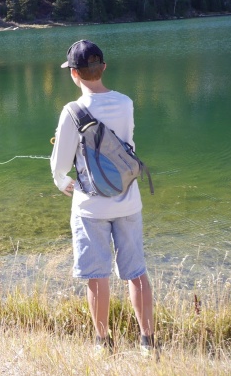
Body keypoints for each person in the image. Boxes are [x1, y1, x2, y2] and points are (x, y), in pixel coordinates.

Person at [50, 39, 155, 356]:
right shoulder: (125, 102)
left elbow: (60, 164)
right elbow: (127, 143)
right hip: (128, 199)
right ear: (103, 68)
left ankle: (102, 342)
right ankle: (147, 341)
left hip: (90, 207)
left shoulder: (71, 112)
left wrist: (62, 182)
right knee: (136, 271)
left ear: (74, 74)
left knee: (96, 276)